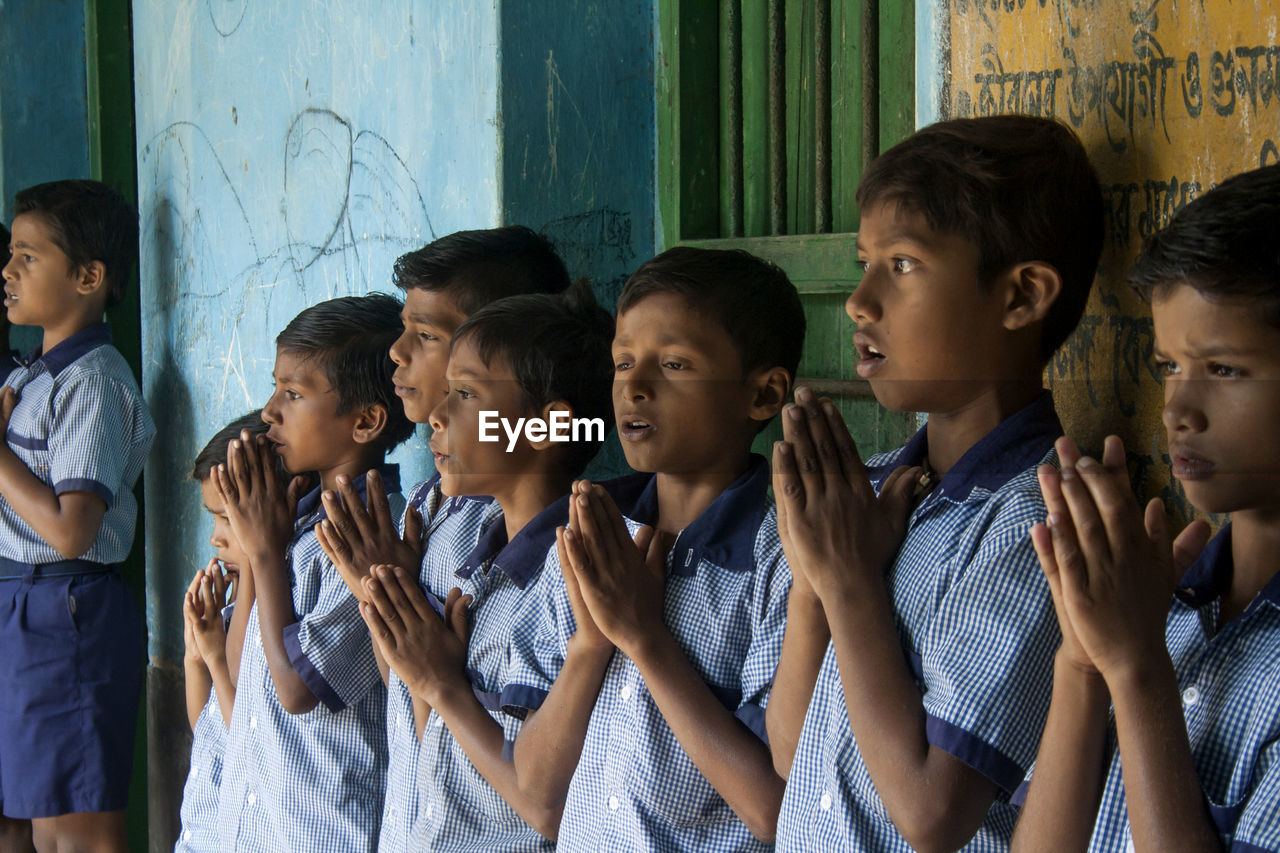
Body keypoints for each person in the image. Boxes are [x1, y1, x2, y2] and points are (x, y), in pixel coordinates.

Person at [769, 115, 1104, 851]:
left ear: (1021, 297)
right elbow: (792, 753)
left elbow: (930, 813)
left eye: (903, 264)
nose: (859, 301)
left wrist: (850, 582)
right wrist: (812, 579)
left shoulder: (1034, 524)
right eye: (865, 262)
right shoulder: (873, 493)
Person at [1011, 163, 1280, 852]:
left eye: (1223, 369)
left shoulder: (1151, 634)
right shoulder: (1168, 598)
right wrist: (1082, 659)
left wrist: (1136, 669)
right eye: (1168, 365)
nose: (1178, 410)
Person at [505, 247, 804, 849]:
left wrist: (643, 638)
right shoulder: (587, 535)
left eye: (673, 364)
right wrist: (592, 643)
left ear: (765, 396)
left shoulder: (786, 559)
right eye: (622, 364)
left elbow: (779, 811)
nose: (634, 388)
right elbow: (535, 791)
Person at [313, 225, 571, 851]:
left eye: (425, 336)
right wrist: (380, 591)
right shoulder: (437, 504)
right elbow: (409, 680)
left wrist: (382, 592)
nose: (396, 353)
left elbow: (529, 785)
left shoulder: (524, 539)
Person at [359, 280, 614, 849]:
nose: (438, 417)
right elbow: (442, 750)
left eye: (467, 395)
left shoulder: (569, 575)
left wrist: (443, 686)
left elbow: (543, 808)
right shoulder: (481, 558)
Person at [212, 294, 412, 852]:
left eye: (293, 394)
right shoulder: (289, 523)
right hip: (255, 825)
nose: (269, 411)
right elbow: (240, 663)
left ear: (367, 420)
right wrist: (258, 548)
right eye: (276, 387)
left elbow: (295, 691)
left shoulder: (370, 535)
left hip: (321, 827)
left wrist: (267, 554)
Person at [0, 180, 156, 853]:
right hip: (21, 600)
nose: (8, 272)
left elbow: (72, 527)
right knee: (26, 812)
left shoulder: (93, 379)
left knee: (72, 826)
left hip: (66, 607)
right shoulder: (30, 375)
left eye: (28, 257)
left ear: (89, 276)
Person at [177, 411, 287, 852]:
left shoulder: (276, 602)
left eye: (227, 518)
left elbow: (245, 732)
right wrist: (195, 656)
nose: (215, 539)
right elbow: (208, 730)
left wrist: (216, 658)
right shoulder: (235, 601)